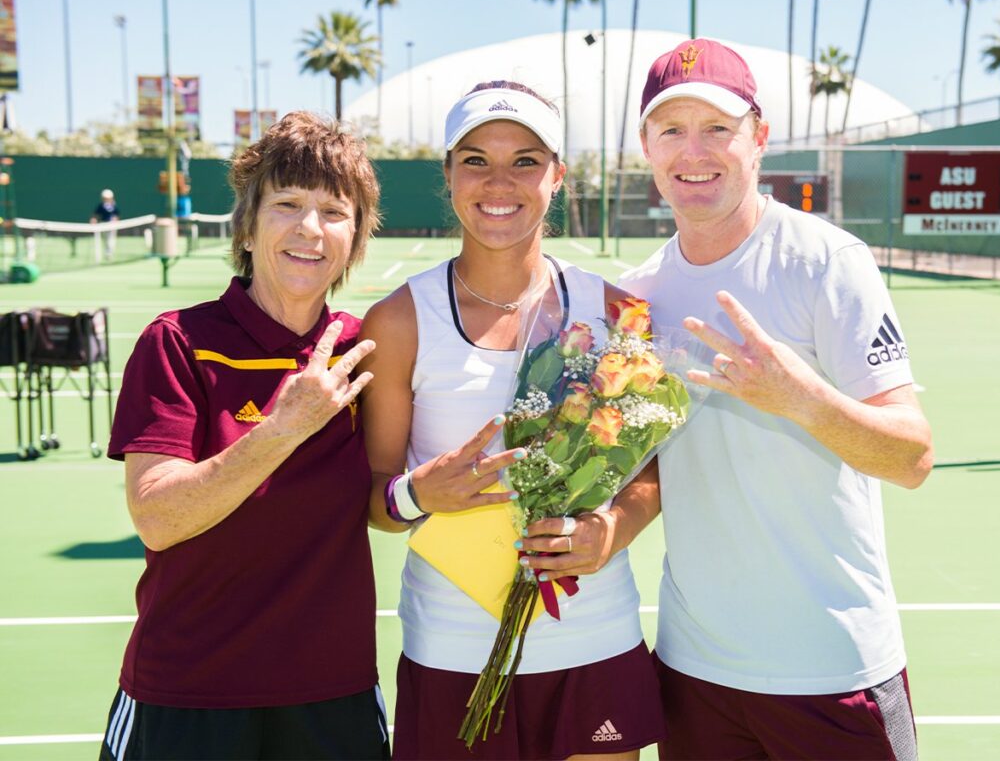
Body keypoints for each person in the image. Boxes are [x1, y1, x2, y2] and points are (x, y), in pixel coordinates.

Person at [619, 39, 934, 761]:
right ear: (647, 148)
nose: (693, 152)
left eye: (717, 128)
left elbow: (913, 455)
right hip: (695, 673)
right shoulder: (636, 298)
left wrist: (801, 400)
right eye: (672, 130)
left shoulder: (828, 263)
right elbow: (648, 474)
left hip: (833, 668)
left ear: (758, 138)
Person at [359, 80, 665, 760]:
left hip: (594, 636)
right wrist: (417, 494)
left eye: (526, 160)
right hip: (453, 646)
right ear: (448, 174)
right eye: (475, 159)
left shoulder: (618, 313)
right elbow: (374, 498)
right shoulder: (398, 321)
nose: (500, 181)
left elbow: (650, 477)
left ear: (557, 175)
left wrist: (610, 530)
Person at [99, 112, 390, 760]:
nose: (310, 229)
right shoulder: (177, 342)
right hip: (188, 696)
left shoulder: (365, 351)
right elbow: (157, 517)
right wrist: (282, 429)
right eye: (287, 204)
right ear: (249, 226)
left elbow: (393, 496)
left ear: (357, 239)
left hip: (331, 696)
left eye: (334, 211)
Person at [90, 188, 120, 260]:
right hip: (103, 225)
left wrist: (115, 222)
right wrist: (93, 220)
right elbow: (95, 215)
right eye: (105, 198)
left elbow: (116, 215)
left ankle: (109, 253)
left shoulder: (114, 206)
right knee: (105, 240)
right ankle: (107, 253)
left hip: (112, 225)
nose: (107, 199)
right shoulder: (101, 206)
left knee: (111, 240)